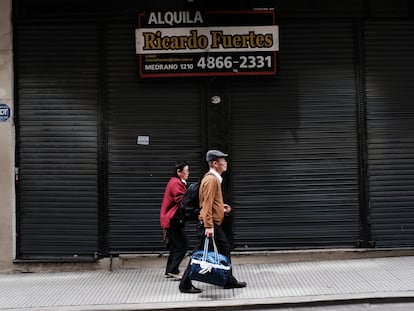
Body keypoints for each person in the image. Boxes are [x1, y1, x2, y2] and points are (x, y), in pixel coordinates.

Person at [179, 150, 247, 293]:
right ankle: (185, 284)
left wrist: (221, 208)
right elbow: (206, 204)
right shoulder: (211, 180)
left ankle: (228, 280)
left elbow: (211, 202)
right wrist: (208, 226)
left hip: (212, 223)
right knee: (200, 252)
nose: (226, 163)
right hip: (210, 225)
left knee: (223, 248)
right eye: (223, 160)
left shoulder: (214, 178)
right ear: (215, 164)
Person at [160, 160, 190, 280]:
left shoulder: (177, 182)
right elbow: (182, 201)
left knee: (176, 246)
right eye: (186, 171)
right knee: (183, 245)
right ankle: (173, 270)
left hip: (172, 219)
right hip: (172, 219)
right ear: (179, 172)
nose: (188, 173)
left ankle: (170, 270)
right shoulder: (176, 183)